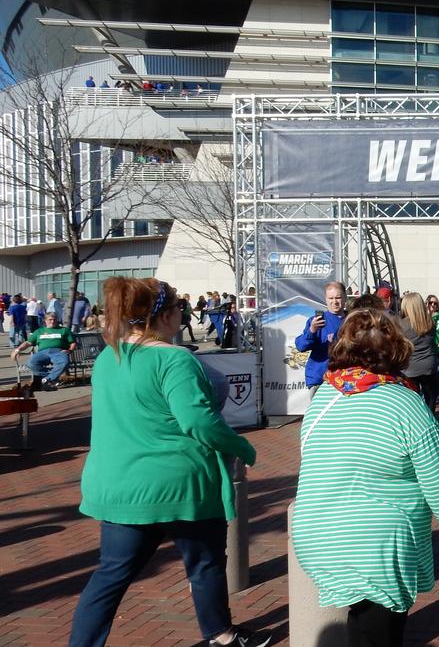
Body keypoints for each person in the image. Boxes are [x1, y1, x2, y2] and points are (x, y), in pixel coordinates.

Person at [69, 277, 265, 647]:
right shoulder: (175, 359)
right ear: (165, 316)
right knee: (205, 564)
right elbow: (198, 421)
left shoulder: (109, 359)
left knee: (110, 576)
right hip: (179, 485)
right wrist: (242, 447)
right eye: (179, 309)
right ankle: (221, 635)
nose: (183, 315)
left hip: (120, 485)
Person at [293, 309, 439, 646]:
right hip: (374, 543)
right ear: (396, 349)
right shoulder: (404, 402)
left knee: (363, 623)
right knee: (378, 631)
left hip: (316, 536)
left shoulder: (325, 395)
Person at [294, 282, 348, 394]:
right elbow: (301, 346)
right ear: (326, 299)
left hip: (346, 380)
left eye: (338, 297)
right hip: (320, 380)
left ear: (345, 297)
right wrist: (312, 331)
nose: (335, 302)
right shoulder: (316, 321)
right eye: (331, 298)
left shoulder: (352, 320)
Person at [398, 292, 439, 412]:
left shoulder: (402, 325)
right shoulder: (429, 323)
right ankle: (430, 420)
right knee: (430, 399)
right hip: (429, 365)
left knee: (413, 401)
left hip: (410, 367)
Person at [10, 312, 75, 391]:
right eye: (50, 319)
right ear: (45, 321)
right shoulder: (39, 331)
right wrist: (17, 350)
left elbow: (72, 343)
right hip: (43, 352)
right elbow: (28, 343)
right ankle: (49, 378)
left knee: (65, 362)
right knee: (31, 363)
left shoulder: (64, 330)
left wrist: (70, 350)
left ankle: (47, 379)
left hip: (58, 351)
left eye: (54, 319)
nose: (52, 321)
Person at [427, 295, 439, 402]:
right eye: (430, 303)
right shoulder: (424, 317)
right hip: (428, 348)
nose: (433, 305)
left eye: (435, 303)